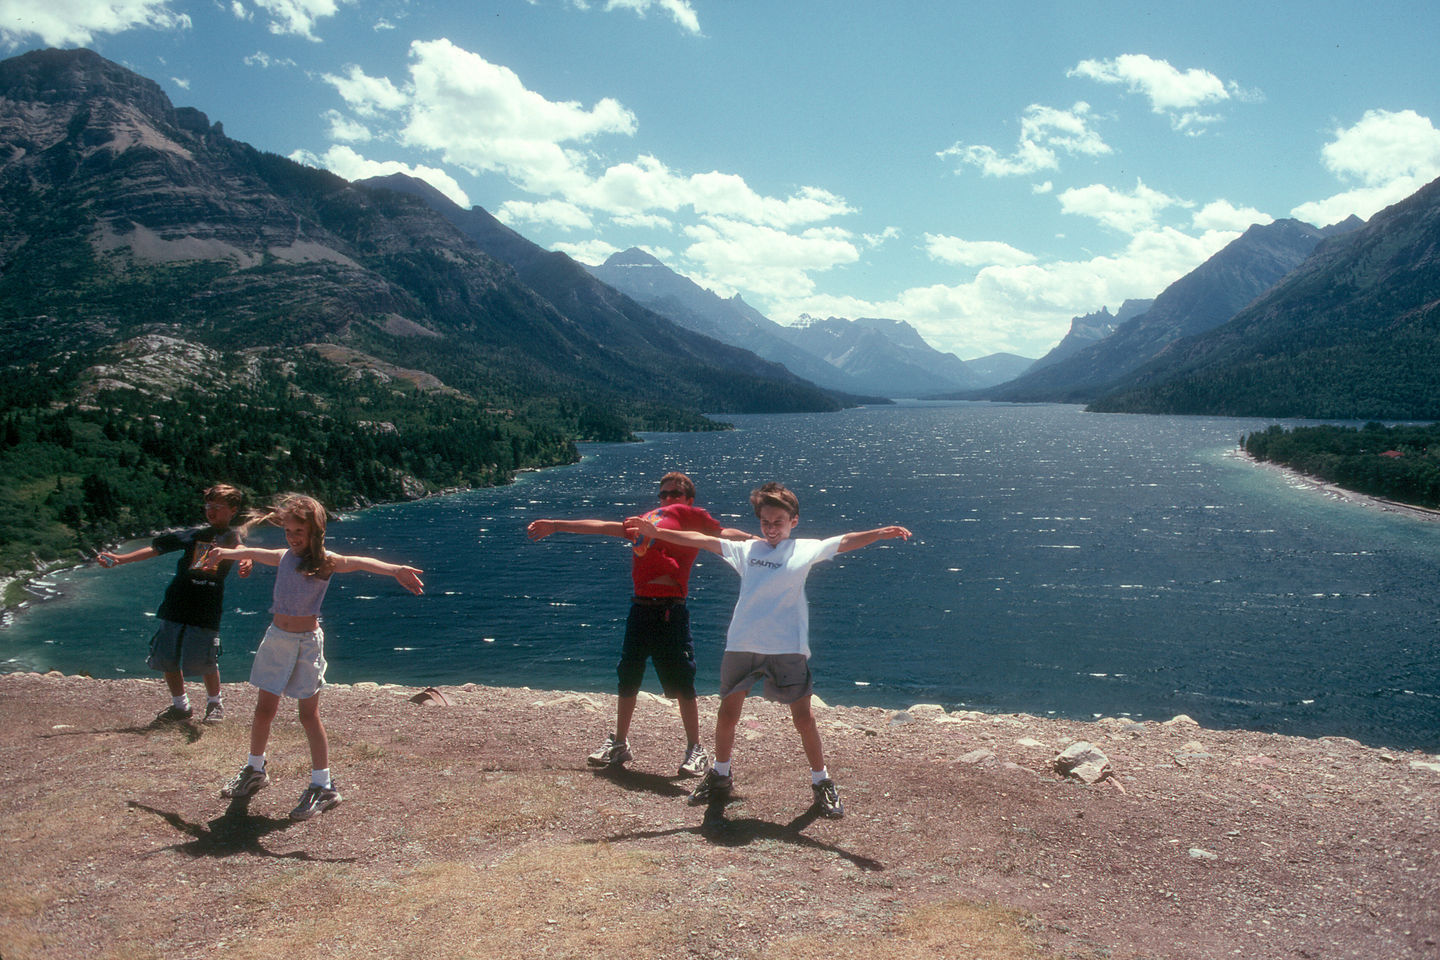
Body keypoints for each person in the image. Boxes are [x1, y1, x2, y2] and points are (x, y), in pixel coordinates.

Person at [626, 482, 910, 819]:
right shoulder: (747, 550)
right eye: (765, 522)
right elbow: (700, 539)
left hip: (787, 648)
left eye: (778, 522)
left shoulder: (805, 549)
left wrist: (879, 533)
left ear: (794, 521)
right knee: (727, 715)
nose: (771, 529)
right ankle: (720, 775)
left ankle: (822, 782)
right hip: (742, 644)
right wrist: (656, 531)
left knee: (803, 718)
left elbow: (845, 540)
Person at [198, 494, 424, 821]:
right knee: (264, 710)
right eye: (288, 531)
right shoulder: (284, 555)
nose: (292, 537)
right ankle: (255, 769)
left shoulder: (326, 561)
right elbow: (254, 552)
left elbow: (359, 562)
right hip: (277, 638)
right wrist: (224, 552)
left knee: (308, 715)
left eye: (298, 531)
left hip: (306, 643)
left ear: (315, 530)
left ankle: (324, 785)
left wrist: (395, 569)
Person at [526, 472, 753, 777]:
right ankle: (620, 743)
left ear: (688, 500)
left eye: (674, 494)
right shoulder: (648, 519)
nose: (668, 499)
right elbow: (606, 528)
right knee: (628, 677)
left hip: (671, 609)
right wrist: (556, 525)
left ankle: (695, 749)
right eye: (663, 494)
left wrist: (761, 542)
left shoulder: (690, 517)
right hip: (641, 607)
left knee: (683, 683)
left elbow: (724, 534)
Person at [98, 483, 253, 724]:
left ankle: (215, 704)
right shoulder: (193, 534)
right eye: (208, 506)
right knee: (167, 656)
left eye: (217, 507)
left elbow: (242, 549)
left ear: (233, 510)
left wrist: (246, 560)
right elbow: (156, 548)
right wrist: (120, 559)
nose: (210, 511)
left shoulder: (231, 537)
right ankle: (181, 706)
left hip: (206, 608)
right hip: (176, 603)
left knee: (206, 659)